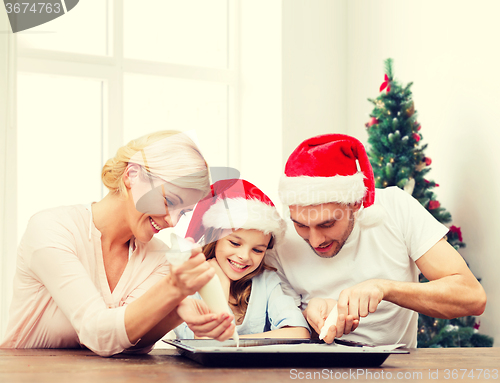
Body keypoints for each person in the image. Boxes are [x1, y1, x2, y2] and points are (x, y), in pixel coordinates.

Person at [0, 130, 233, 356]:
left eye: (183, 213)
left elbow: (125, 342)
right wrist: (172, 290)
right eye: (169, 200)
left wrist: (175, 312)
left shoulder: (159, 257)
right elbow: (97, 334)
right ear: (131, 175)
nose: (172, 221)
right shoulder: (52, 228)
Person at [267, 133, 487, 347]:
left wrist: (385, 289)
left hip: (395, 370)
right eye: (301, 225)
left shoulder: (395, 207)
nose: (315, 240)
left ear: (355, 202)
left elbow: (472, 297)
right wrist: (309, 316)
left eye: (327, 224)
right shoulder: (281, 240)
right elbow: (280, 329)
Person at [174, 179, 310, 339]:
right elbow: (202, 341)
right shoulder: (188, 283)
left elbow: (299, 333)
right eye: (235, 243)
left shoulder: (266, 281)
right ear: (214, 238)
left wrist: (233, 341)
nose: (244, 256)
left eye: (257, 250)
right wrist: (221, 289)